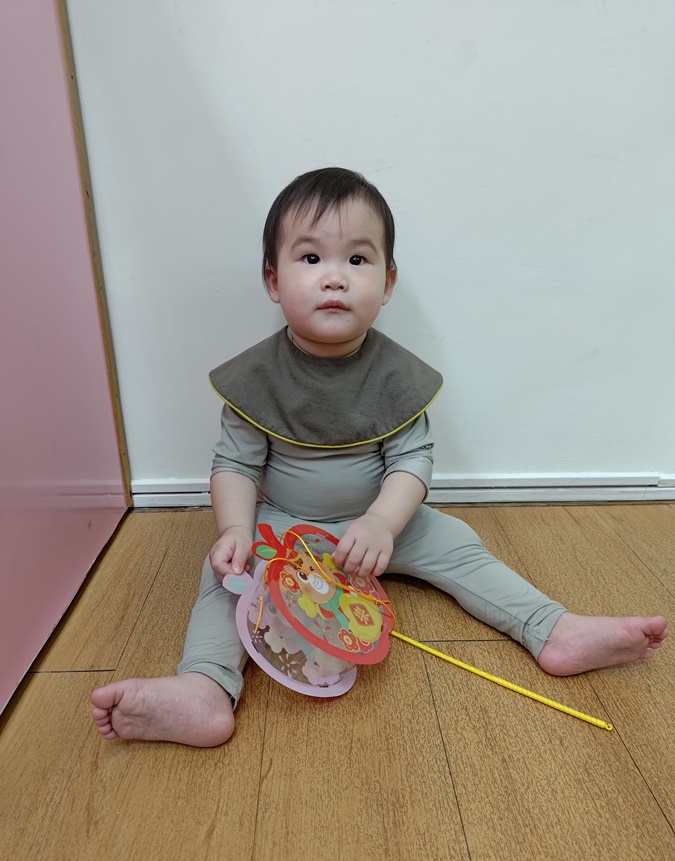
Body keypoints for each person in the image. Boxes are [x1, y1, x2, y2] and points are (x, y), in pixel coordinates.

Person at [91, 167, 669, 746]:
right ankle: (205, 686)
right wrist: (237, 530)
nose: (335, 277)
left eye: (357, 260)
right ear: (273, 280)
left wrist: (381, 523)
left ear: (388, 282)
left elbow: (412, 462)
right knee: (226, 574)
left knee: (461, 545)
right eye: (310, 258)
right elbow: (236, 465)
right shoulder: (254, 378)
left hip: (384, 528)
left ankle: (552, 629)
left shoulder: (398, 376)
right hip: (285, 528)